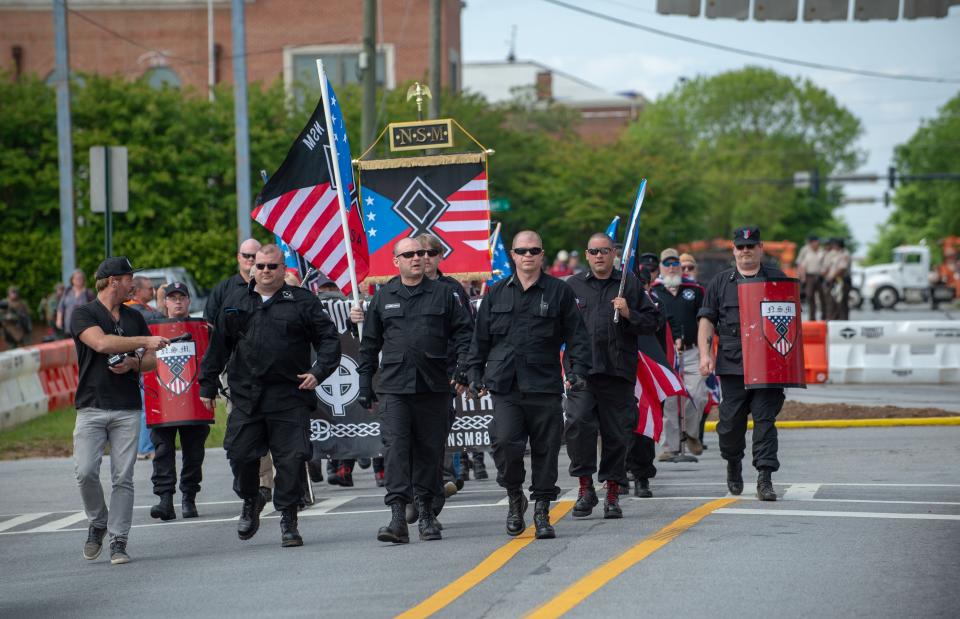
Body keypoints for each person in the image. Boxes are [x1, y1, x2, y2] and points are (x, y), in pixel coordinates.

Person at [199, 244, 341, 548]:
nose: (265, 271)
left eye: (271, 267)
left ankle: (288, 519)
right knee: (239, 454)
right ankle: (251, 498)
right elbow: (219, 346)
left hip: (289, 394)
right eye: (260, 266)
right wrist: (207, 383)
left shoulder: (302, 301)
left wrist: (319, 371)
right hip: (247, 394)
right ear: (252, 269)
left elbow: (328, 340)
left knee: (290, 461)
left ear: (283, 269)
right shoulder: (236, 300)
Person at [467, 230, 590, 539]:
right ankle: (514, 497)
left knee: (545, 451)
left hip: (544, 383)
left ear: (542, 254)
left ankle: (542, 511)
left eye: (534, 250)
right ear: (513, 254)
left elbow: (577, 337)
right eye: (522, 251)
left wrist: (576, 371)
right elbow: (480, 338)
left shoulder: (558, 292)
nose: (528, 256)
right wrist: (473, 373)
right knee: (506, 443)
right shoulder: (496, 293)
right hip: (505, 385)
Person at [354, 237, 473, 544]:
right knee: (395, 448)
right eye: (409, 254)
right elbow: (369, 345)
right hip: (394, 386)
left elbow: (465, 334)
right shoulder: (384, 297)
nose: (417, 258)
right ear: (397, 261)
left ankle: (427, 514)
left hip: (434, 386)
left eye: (421, 253)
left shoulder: (445, 294)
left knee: (429, 451)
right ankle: (397, 517)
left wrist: (462, 369)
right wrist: (365, 382)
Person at [71, 256, 170, 565]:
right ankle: (98, 521)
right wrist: (144, 340)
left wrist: (134, 363)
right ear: (114, 281)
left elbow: (152, 361)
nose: (135, 283)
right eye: (130, 277)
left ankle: (118, 539)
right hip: (91, 405)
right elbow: (101, 344)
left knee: (122, 477)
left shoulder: (133, 317)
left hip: (126, 407)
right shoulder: (83, 313)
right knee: (85, 472)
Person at [564, 233, 660, 519]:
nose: (599, 256)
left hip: (617, 371)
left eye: (604, 251)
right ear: (587, 254)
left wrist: (630, 313)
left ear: (613, 253)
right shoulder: (573, 286)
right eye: (594, 251)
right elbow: (557, 328)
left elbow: (653, 321)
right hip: (582, 373)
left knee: (616, 435)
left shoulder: (627, 283)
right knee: (578, 424)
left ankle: (613, 493)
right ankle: (585, 487)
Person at [697, 227, 785, 502]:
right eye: (741, 247)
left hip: (769, 363)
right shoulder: (721, 282)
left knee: (764, 422)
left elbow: (789, 318)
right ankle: (733, 462)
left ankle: (765, 478)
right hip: (733, 364)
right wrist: (705, 354)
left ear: (761, 248)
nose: (746, 251)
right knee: (730, 425)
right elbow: (707, 320)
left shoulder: (777, 279)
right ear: (734, 250)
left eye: (751, 246)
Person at [204, 238, 275, 506]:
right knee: (240, 429)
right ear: (238, 257)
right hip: (234, 372)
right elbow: (212, 333)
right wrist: (210, 375)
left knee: (267, 425)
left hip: (269, 372)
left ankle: (264, 483)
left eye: (255, 256)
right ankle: (246, 480)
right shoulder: (225, 290)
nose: (250, 261)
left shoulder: (273, 288)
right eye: (246, 256)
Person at [147, 283, 211, 521]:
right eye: (172, 298)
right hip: (162, 401)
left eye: (181, 297)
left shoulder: (202, 328)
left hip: (194, 400)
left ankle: (189, 497)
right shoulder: (152, 330)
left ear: (188, 301)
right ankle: (165, 499)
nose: (177, 302)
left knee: (194, 452)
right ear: (164, 302)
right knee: (163, 451)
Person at [651, 248, 708, 460]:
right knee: (671, 400)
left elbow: (705, 320)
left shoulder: (694, 289)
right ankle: (670, 446)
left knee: (698, 394)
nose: (672, 266)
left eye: (675, 262)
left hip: (692, 350)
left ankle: (691, 433)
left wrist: (706, 349)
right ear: (661, 267)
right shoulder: (655, 291)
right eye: (667, 263)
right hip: (666, 353)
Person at [624, 266, 659, 498]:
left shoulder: (652, 300)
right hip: (611, 367)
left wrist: (630, 312)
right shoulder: (592, 290)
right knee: (616, 427)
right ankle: (618, 474)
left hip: (646, 366)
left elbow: (656, 323)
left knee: (644, 424)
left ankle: (642, 476)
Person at [125, 277, 164, 460]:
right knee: (144, 407)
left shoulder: (143, 308)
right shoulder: (135, 308)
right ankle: (144, 447)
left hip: (142, 362)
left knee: (145, 406)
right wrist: (163, 301)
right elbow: (159, 319)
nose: (153, 291)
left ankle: (144, 446)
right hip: (139, 364)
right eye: (150, 288)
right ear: (138, 291)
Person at [57, 269, 94, 338]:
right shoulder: (67, 292)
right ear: (72, 280)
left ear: (83, 280)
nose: (78, 280)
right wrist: (59, 320)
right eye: (76, 278)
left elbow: (94, 309)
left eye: (80, 278)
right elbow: (61, 307)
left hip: (84, 328)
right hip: (68, 328)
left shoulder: (88, 293)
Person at [796, 235, 825, 320]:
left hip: (820, 276)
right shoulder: (805, 250)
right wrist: (801, 277)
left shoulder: (821, 251)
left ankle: (824, 316)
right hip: (809, 275)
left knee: (822, 296)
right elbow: (800, 263)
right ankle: (812, 317)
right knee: (810, 296)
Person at [824, 238, 851, 320]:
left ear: (838, 245)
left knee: (841, 302)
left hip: (841, 280)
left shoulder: (844, 254)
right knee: (832, 302)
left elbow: (842, 269)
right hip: (834, 281)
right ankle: (833, 320)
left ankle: (842, 321)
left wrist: (831, 277)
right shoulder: (835, 254)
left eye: (834, 245)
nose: (832, 246)